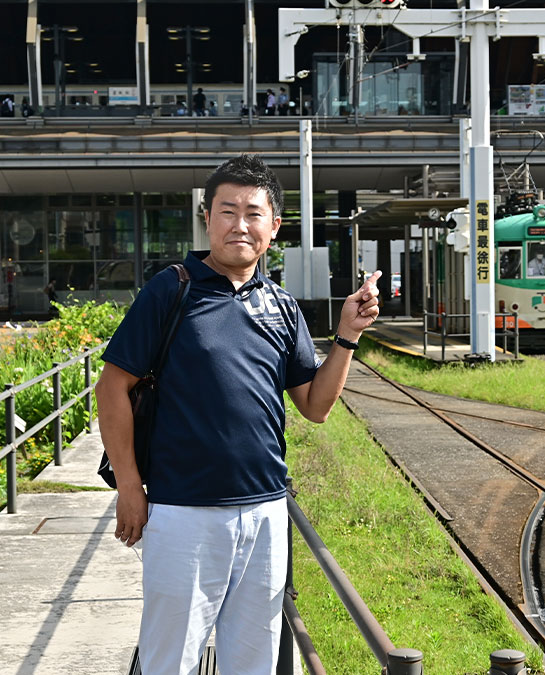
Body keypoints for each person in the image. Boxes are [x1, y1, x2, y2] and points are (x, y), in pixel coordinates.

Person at [94, 154, 381, 675]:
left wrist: (348, 334)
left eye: (254, 213)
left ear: (274, 227)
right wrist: (130, 488)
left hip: (268, 510)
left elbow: (315, 406)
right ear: (207, 218)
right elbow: (112, 387)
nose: (239, 225)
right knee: (170, 659)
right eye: (227, 211)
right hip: (184, 512)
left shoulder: (281, 305)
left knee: (253, 659)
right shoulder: (172, 289)